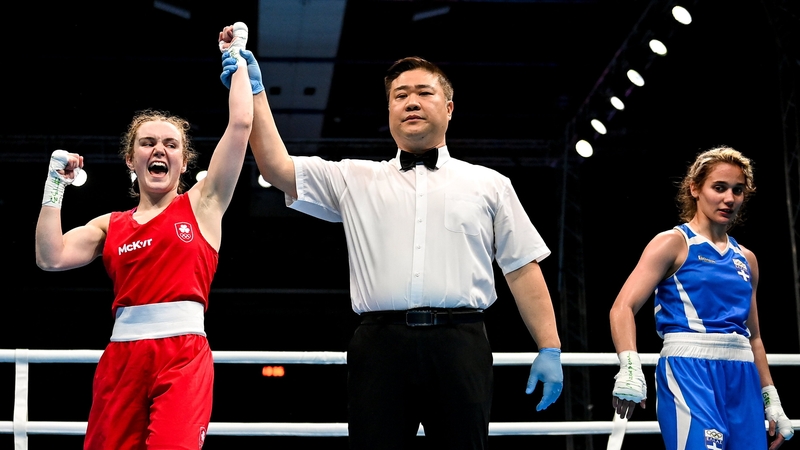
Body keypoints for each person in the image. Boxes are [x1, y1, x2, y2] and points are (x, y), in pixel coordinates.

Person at [218, 27, 563, 449]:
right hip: (380, 345)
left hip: (461, 343)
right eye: (400, 95)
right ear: (389, 111)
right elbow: (275, 167)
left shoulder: (489, 184)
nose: (411, 102)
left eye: (424, 92)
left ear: (449, 108)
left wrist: (550, 346)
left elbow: (521, 266)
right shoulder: (354, 177)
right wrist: (252, 90)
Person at [35, 22, 253, 449]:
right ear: (130, 159)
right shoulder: (109, 225)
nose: (159, 150)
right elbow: (50, 257)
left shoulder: (204, 204)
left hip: (184, 356)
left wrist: (237, 58)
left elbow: (241, 124)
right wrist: (54, 185)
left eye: (171, 144)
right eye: (148, 142)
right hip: (122, 358)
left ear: (184, 161)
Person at [609, 146, 794, 450]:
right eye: (719, 188)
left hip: (742, 376)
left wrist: (771, 398)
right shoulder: (673, 243)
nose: (729, 198)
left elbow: (754, 337)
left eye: (737, 190)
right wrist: (630, 366)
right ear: (695, 188)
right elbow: (622, 307)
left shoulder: (746, 258)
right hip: (689, 371)